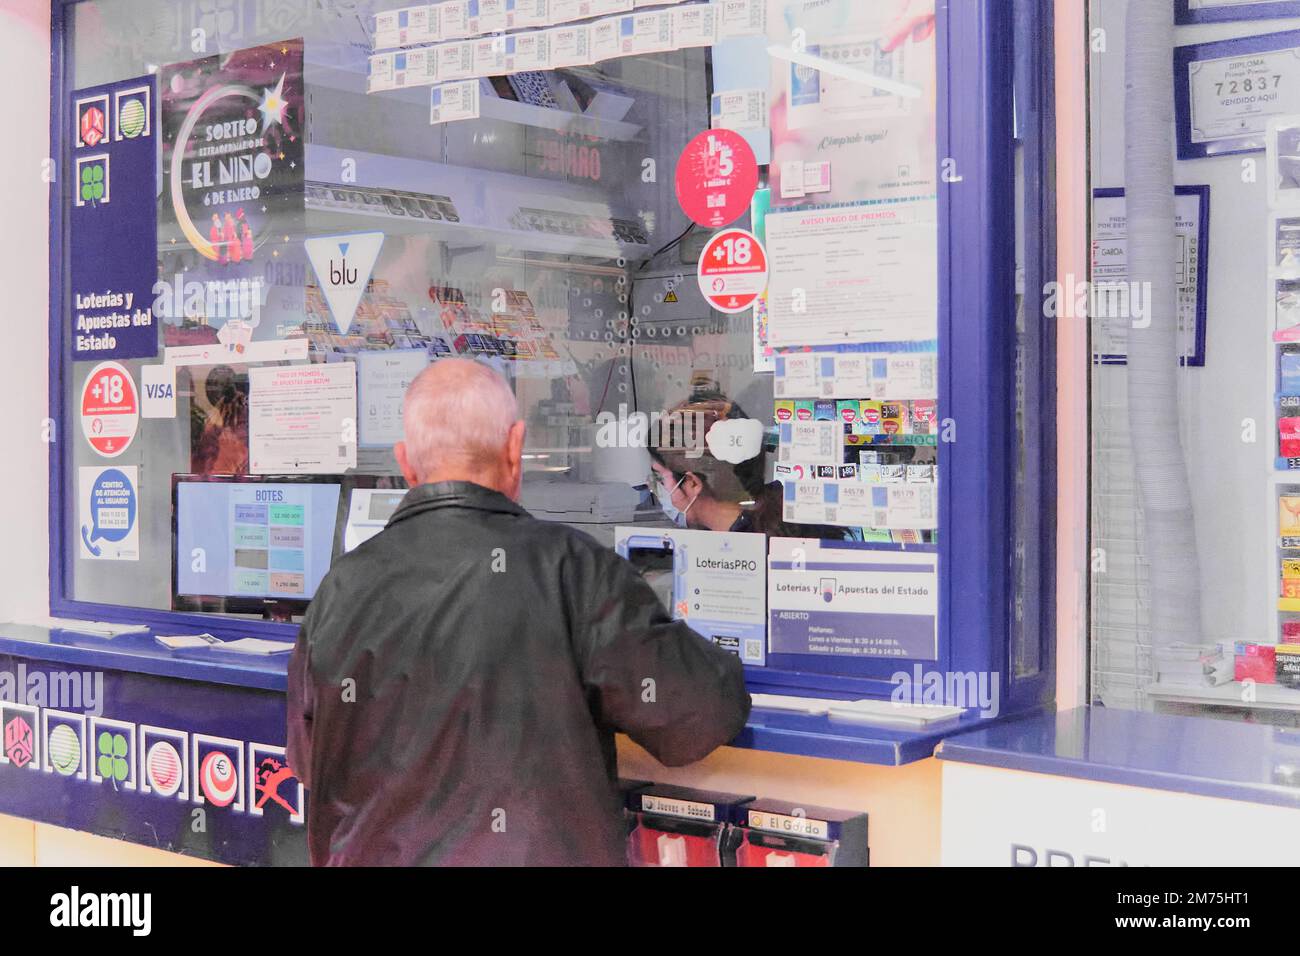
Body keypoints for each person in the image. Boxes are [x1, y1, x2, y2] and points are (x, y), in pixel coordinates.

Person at [287, 358, 750, 866]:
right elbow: (697, 714)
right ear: (515, 447)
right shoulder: (572, 570)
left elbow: (313, 761)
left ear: (406, 463)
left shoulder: (339, 590)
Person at [649, 393, 847, 540]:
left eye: (660, 479)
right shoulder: (794, 517)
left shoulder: (732, 558)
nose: (656, 490)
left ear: (692, 483)